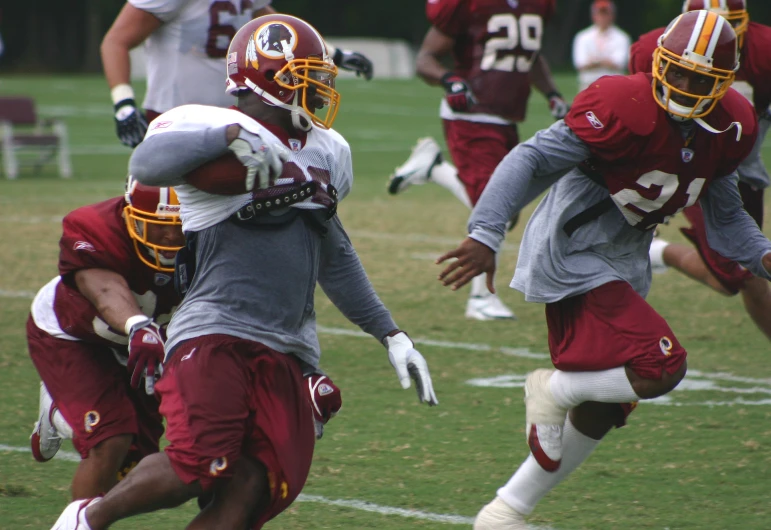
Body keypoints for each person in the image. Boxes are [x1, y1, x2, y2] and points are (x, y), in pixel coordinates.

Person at [52, 14, 438, 530]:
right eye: (307, 73)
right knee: (197, 465)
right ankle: (87, 519)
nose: (320, 86)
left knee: (253, 489)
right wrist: (228, 135)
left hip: (289, 347)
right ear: (268, 77)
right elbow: (147, 162)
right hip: (217, 332)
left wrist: (390, 333)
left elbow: (333, 251)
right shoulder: (203, 124)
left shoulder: (331, 150)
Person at [436, 10, 771, 529]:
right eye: (676, 71)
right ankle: (550, 391)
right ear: (659, 62)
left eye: (698, 79)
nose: (682, 86)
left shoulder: (727, 127)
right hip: (574, 248)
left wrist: (764, 257)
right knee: (661, 366)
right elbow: (530, 160)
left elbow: (726, 219)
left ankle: (505, 512)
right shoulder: (621, 103)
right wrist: (486, 231)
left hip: (625, 255)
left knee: (605, 406)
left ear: (723, 83)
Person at [386, 0, 570, 322]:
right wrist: (450, 79)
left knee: (502, 207)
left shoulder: (538, 5)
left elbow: (529, 55)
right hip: (469, 117)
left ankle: (434, 168)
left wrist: (551, 92)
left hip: (507, 117)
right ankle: (481, 299)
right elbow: (425, 59)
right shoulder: (469, 4)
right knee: (497, 208)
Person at [27, 179, 185, 500]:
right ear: (131, 216)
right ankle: (62, 414)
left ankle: (61, 411)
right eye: (157, 226)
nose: (170, 236)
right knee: (109, 438)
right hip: (72, 334)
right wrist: (138, 325)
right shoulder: (95, 228)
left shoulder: (213, 236)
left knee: (130, 467)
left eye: (179, 225)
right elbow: (104, 290)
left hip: (142, 345)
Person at [629, 0, 771, 340]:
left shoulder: (764, 50)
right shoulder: (652, 47)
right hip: (684, 161)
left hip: (741, 167)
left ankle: (656, 252)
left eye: (728, 24)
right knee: (741, 275)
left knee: (742, 276)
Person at [101, 0, 374, 148]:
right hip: (176, 119)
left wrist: (334, 53)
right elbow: (116, 41)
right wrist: (123, 104)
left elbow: (273, 26)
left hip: (238, 118)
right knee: (169, 219)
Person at [572, 0, 631, 91]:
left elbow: (619, 63)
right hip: (588, 86)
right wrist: (605, 61)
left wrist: (594, 62)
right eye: (600, 14)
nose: (603, 18)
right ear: (593, 16)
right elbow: (580, 64)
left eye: (606, 14)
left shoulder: (622, 37)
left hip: (614, 86)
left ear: (612, 15)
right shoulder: (583, 37)